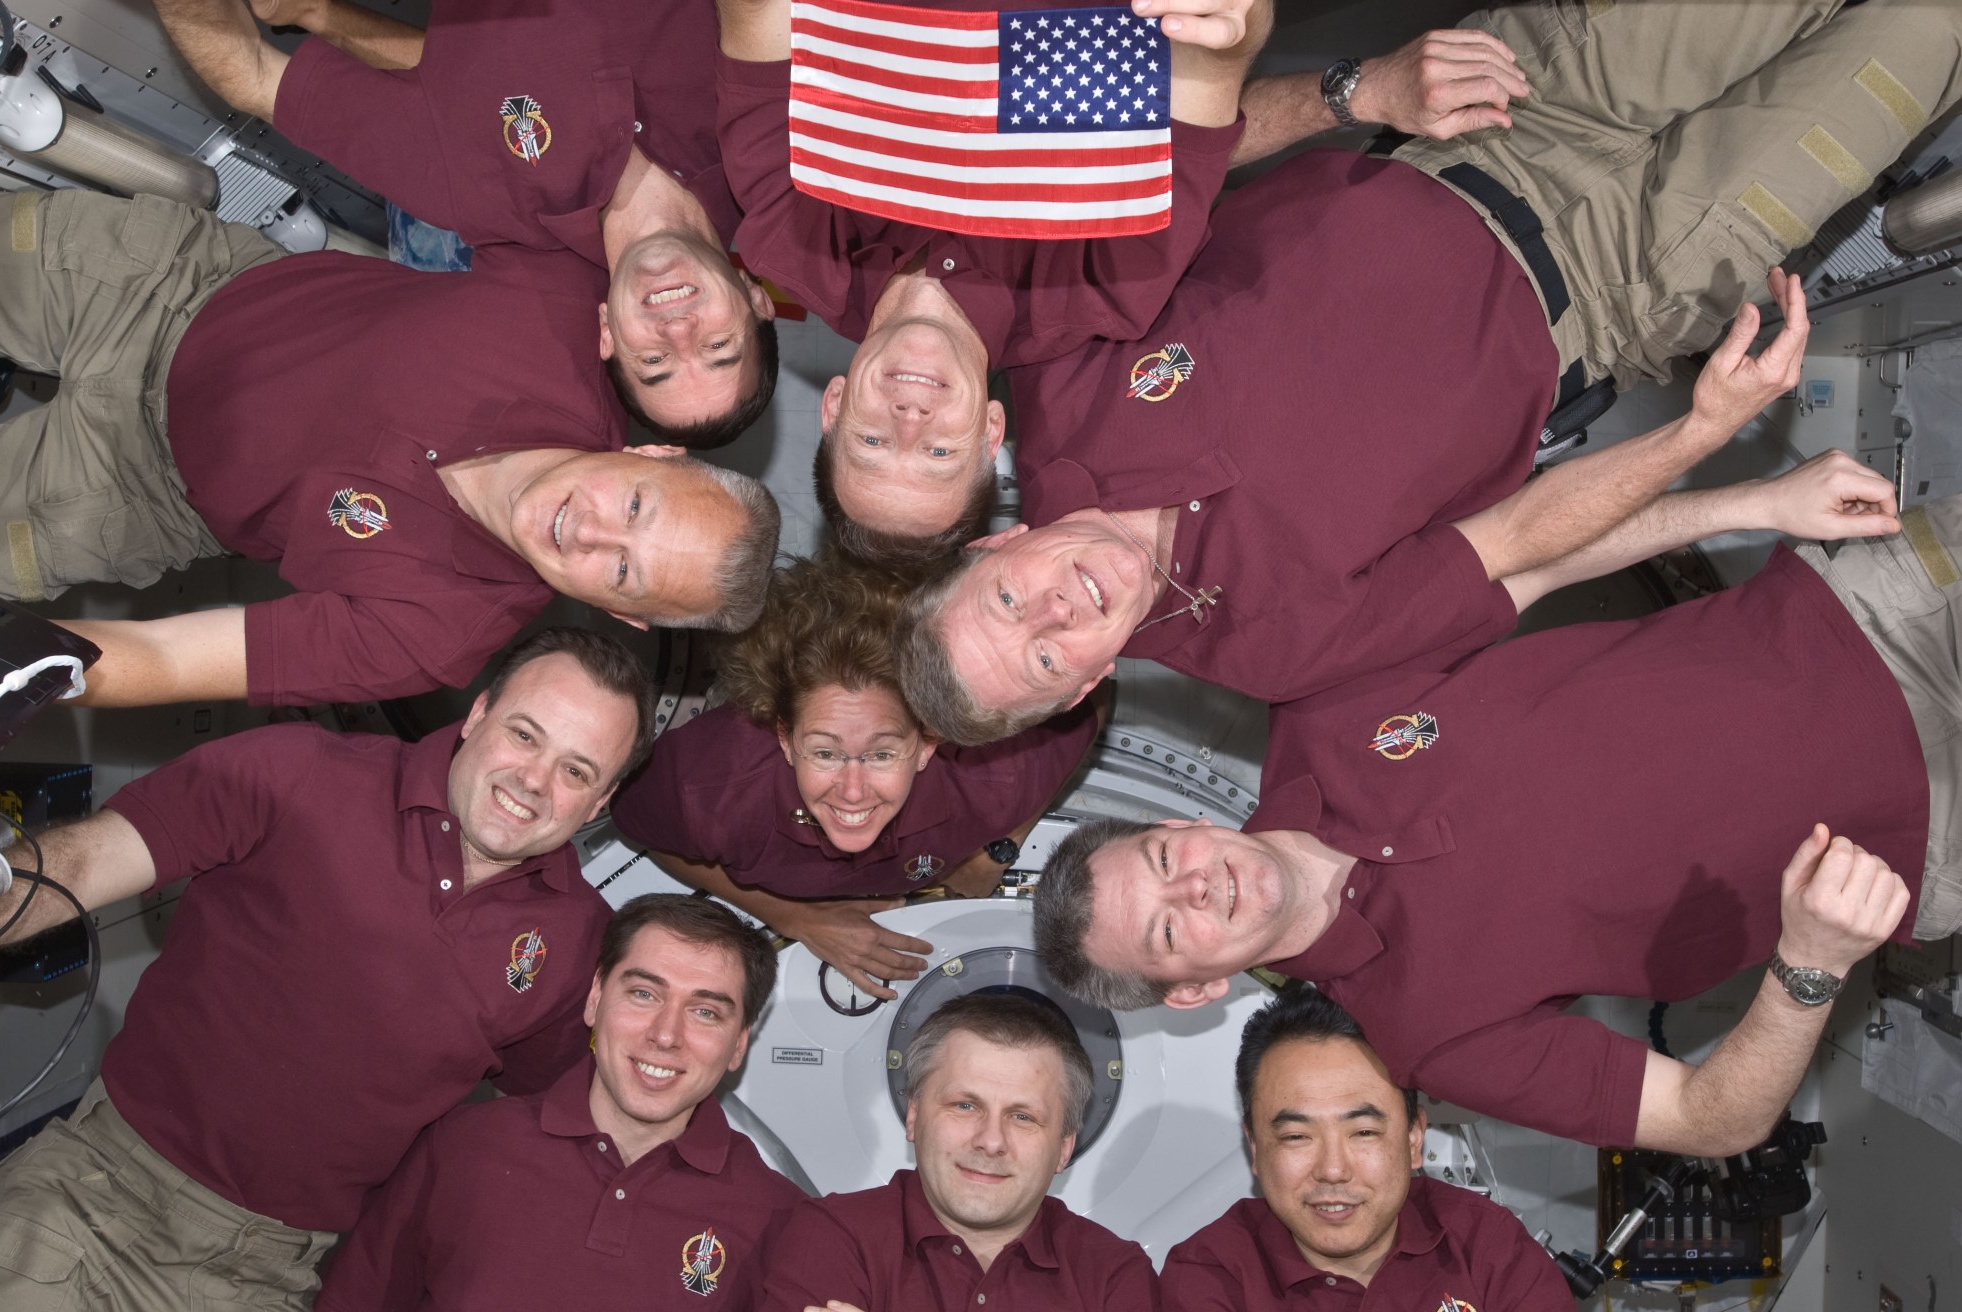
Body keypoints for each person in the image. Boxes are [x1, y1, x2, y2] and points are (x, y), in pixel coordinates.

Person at [895, 0, 1962, 742]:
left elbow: (1165, 160)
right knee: (1935, 17)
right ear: (1082, 689)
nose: (1055, 609)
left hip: (1484, 116)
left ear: (989, 548)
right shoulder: (1272, 648)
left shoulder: (1051, 384)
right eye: (1044, 657)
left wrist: (1354, 90)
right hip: (1627, 284)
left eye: (1005, 598)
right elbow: (1521, 543)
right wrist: (1699, 436)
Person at [1028, 463, 1955, 1157]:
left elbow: (1536, 553)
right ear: (1195, 990)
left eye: (1160, 864)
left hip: (1871, 613)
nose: (1195, 890)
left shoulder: (1322, 702)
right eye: (1166, 934)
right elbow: (1710, 1121)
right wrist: (1810, 966)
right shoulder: (1431, 1038)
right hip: (1923, 840)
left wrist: (1752, 504)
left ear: (1177, 827)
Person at [0, 628, 653, 1311]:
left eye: (575, 771)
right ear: (479, 713)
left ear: (602, 800)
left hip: (265, 1271)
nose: (533, 780)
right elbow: (84, 864)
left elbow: (561, 1122)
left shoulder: (575, 942)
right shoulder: (300, 773)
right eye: (525, 735)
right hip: (94, 1197)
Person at [0, 179, 779, 710]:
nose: (589, 532)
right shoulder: (569, 318)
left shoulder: (439, 635)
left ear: (620, 613)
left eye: (622, 569)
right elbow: (605, 155)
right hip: (165, 286)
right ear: (653, 456)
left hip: (130, 495)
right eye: (634, 507)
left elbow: (170, 657)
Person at [712, 0, 1273, 563]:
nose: (910, 417)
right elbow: (1220, 59)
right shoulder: (1108, 289)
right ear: (991, 434)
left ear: (835, 406)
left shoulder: (785, 237)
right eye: (938, 454)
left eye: (872, 440)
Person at [143, 0, 780, 448]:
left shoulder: (481, 195)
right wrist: (321, 12)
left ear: (609, 334)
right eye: (717, 347)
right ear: (756, 300)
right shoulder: (773, 143)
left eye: (655, 360)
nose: (678, 330)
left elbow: (256, 77)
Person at [612, 557, 1102, 999]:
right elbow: (640, 825)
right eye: (825, 752)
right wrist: (794, 917)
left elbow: (1094, 700)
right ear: (785, 739)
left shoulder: (992, 780)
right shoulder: (710, 787)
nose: (851, 792)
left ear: (927, 743)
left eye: (882, 754)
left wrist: (1001, 844)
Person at [314, 894, 805, 1311]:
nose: (666, 1035)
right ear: (594, 999)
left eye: (704, 1011)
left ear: (739, 1044)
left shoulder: (778, 1220)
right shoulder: (463, 1144)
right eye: (643, 993)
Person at [1161, 986, 1575, 1309]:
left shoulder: (1487, 1247)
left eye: (1363, 1133)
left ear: (1414, 1138)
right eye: (1296, 1137)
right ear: (1254, 1147)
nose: (1333, 1170)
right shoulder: (1211, 1277)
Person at [758, 993, 1159, 1311]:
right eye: (965, 1106)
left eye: (1022, 1117)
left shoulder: (1114, 1275)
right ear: (914, 1115)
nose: (990, 1140)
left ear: (1064, 1147)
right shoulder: (831, 1237)